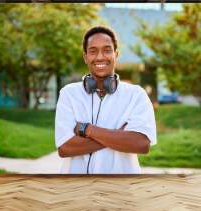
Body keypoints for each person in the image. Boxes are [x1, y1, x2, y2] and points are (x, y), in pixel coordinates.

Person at [55, 25, 157, 174]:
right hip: (76, 189)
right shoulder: (69, 94)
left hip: (122, 189)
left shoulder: (136, 95)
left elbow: (141, 144)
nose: (100, 57)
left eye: (107, 50)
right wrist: (119, 136)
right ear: (85, 57)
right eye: (93, 51)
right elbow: (65, 148)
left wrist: (87, 129)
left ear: (116, 54)